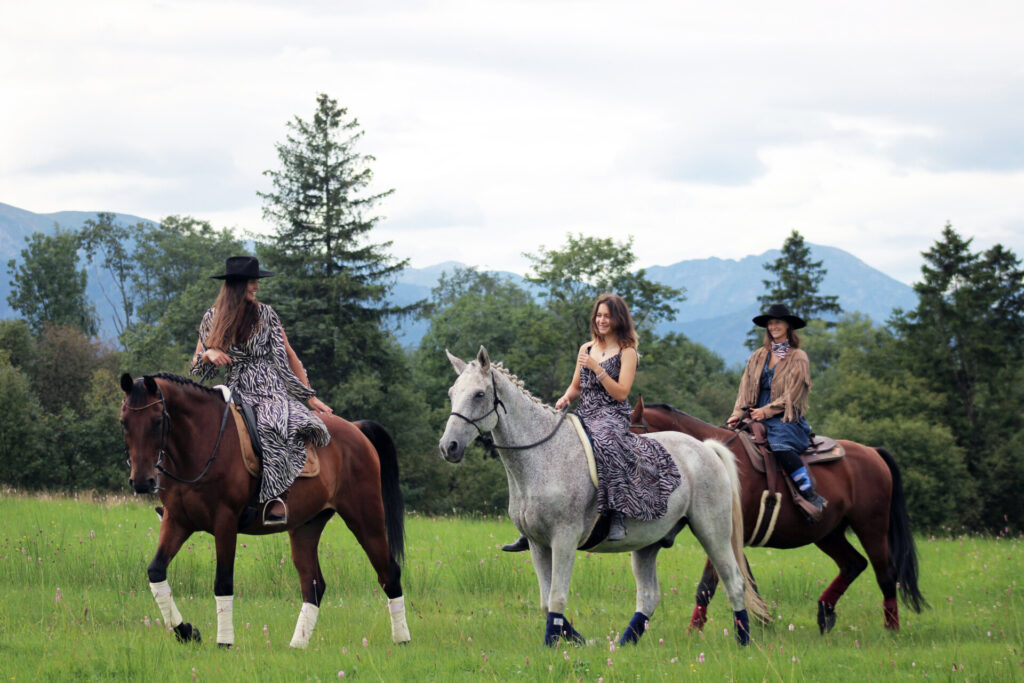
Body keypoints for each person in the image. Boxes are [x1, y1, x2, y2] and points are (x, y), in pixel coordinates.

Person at [502, 293, 681, 551]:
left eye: (607, 316)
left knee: (607, 445)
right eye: (599, 315)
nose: (602, 320)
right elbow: (576, 387)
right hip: (585, 413)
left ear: (618, 319)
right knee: (554, 445)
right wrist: (565, 398)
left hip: (612, 416)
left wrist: (598, 369)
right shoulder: (586, 349)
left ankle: (617, 513)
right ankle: (533, 528)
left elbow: (621, 393)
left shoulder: (627, 352)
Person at [190, 256, 333, 526]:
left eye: (256, 282)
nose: (256, 287)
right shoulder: (211, 317)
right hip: (232, 387)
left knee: (272, 422)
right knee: (201, 426)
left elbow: (287, 355)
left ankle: (276, 497)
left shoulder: (266, 314)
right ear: (237, 285)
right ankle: (187, 500)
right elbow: (195, 368)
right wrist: (209, 354)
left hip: (268, 386)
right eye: (252, 282)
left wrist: (308, 396)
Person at [727, 303, 827, 518]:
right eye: (770, 323)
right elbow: (744, 387)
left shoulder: (798, 357)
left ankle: (810, 495)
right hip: (754, 414)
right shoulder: (757, 356)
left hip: (785, 418)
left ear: (788, 326)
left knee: (780, 447)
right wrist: (736, 414)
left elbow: (795, 393)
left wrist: (767, 411)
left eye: (778, 322)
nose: (773, 327)